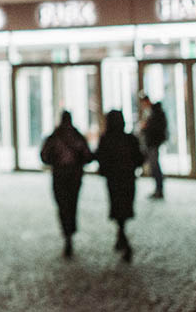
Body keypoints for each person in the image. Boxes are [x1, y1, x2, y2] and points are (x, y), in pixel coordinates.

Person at [39, 110, 93, 258]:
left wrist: (56, 161)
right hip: (75, 176)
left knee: (62, 205)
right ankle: (70, 232)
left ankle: (67, 233)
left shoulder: (54, 136)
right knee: (72, 204)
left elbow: (44, 156)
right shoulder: (77, 136)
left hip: (59, 175)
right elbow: (88, 155)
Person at [94, 109, 145, 263]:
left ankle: (122, 236)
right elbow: (139, 158)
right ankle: (121, 234)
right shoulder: (130, 139)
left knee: (117, 206)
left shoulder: (106, 139)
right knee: (125, 206)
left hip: (114, 179)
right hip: (128, 178)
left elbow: (100, 157)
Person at [137, 93, 168, 199]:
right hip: (153, 142)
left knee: (154, 166)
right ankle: (158, 189)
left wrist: (145, 127)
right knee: (154, 165)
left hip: (153, 142)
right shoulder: (154, 112)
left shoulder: (155, 113)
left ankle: (159, 189)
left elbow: (155, 128)